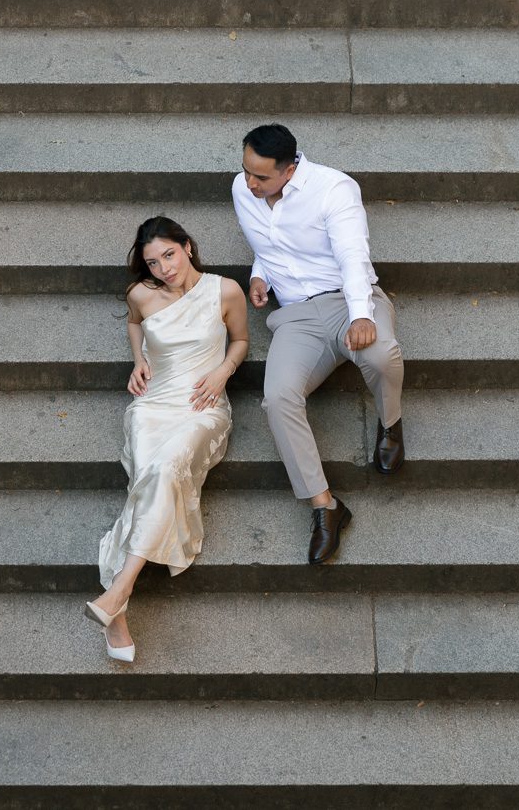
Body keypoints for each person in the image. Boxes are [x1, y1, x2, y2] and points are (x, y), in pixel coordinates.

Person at [232, 123, 406, 566]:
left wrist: (362, 314)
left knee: (381, 353)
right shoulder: (244, 190)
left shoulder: (334, 189)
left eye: (261, 177)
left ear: (290, 170)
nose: (249, 183)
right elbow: (272, 239)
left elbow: (351, 253)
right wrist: (261, 274)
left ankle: (390, 423)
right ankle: (325, 506)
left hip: (348, 300)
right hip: (296, 316)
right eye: (245, 171)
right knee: (276, 398)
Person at [85, 216, 249, 663]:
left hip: (202, 405)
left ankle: (118, 593)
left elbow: (240, 340)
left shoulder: (225, 290)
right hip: (152, 405)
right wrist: (138, 360)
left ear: (188, 247)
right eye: (153, 263)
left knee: (161, 470)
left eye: (169, 255)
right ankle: (116, 603)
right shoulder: (140, 294)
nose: (163, 268)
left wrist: (222, 372)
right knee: (152, 477)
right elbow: (136, 325)